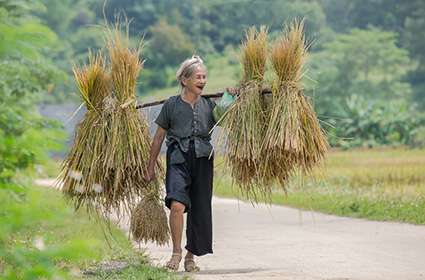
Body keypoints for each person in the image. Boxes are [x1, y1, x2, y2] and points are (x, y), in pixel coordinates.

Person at [145, 55, 223, 272]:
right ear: (185, 80)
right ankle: (176, 252)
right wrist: (150, 166)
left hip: (203, 159)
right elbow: (158, 137)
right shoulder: (171, 105)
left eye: (204, 77)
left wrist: (231, 97)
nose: (203, 80)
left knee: (199, 209)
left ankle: (190, 257)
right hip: (178, 159)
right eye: (198, 77)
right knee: (177, 205)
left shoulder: (210, 105)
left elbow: (229, 116)